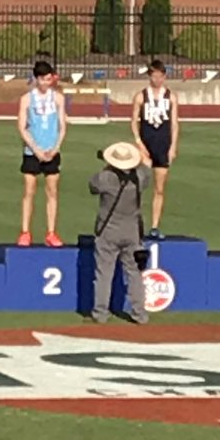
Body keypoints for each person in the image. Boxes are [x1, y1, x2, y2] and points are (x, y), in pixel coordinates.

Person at [88, 141, 151, 325]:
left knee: (104, 273)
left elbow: (92, 186)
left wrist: (107, 167)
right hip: (133, 231)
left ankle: (100, 313)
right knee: (134, 273)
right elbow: (145, 169)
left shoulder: (105, 178)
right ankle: (139, 313)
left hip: (108, 231)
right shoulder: (140, 177)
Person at [17, 60, 67, 247]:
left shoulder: (58, 98)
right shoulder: (27, 99)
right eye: (43, 79)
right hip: (32, 151)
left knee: (52, 191)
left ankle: (51, 232)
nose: (47, 83)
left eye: (49, 79)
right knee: (29, 191)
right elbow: (22, 127)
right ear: (37, 79)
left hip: (52, 151)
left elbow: (62, 126)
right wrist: (36, 149)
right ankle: (25, 232)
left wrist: (55, 148)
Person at [131, 60, 179, 239]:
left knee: (159, 188)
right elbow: (134, 122)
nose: (157, 79)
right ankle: (136, 223)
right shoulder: (141, 96)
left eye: (160, 76)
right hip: (145, 145)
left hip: (163, 144)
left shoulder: (170, 97)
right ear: (149, 76)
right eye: (154, 76)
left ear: (164, 77)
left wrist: (173, 146)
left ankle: (155, 225)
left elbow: (174, 123)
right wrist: (139, 143)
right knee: (139, 186)